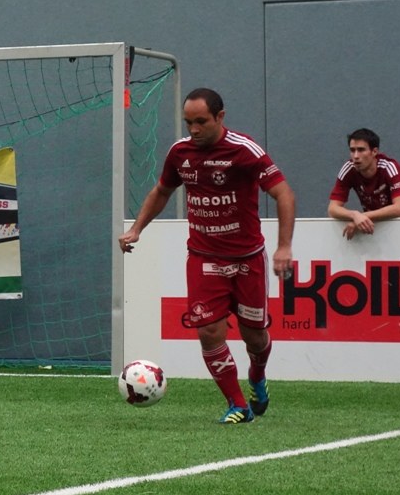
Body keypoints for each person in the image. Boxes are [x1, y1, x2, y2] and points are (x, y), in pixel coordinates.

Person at [119, 88, 296, 424]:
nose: (194, 129)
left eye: (201, 121)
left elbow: (284, 194)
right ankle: (238, 405)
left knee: (254, 336)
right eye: (189, 122)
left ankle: (257, 375)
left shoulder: (245, 151)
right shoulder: (180, 153)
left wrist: (284, 246)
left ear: (220, 117)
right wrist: (137, 228)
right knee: (209, 331)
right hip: (204, 257)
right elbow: (162, 191)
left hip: (247, 259)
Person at [327, 128, 400, 240]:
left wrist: (363, 216)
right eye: (352, 150)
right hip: (374, 229)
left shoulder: (389, 167)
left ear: (374, 151)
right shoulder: (349, 169)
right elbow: (332, 209)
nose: (355, 156)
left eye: (361, 150)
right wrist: (354, 215)